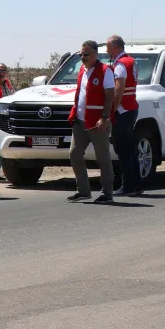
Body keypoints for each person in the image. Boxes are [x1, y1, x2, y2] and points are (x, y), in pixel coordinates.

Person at [66, 40, 115, 204]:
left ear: (95, 54)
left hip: (97, 122)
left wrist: (105, 117)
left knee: (103, 158)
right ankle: (83, 191)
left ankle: (107, 193)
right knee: (74, 154)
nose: (82, 57)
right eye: (81, 54)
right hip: (80, 120)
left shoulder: (105, 71)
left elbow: (109, 95)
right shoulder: (82, 70)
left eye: (86, 54)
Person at [106, 36, 143, 195]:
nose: (107, 51)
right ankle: (135, 185)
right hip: (130, 108)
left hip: (123, 110)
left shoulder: (121, 64)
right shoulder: (130, 61)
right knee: (130, 149)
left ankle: (128, 185)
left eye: (108, 47)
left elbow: (118, 88)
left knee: (123, 149)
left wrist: (112, 109)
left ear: (115, 46)